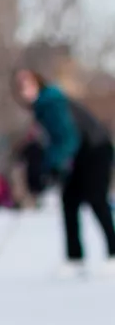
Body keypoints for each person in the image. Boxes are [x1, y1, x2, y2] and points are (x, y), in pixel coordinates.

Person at [12, 68, 115, 275]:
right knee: (70, 201)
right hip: (79, 155)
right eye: (21, 86)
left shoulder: (51, 103)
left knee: (97, 200)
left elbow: (68, 138)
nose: (25, 89)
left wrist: (54, 166)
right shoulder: (42, 107)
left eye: (29, 83)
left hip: (95, 150)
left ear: (39, 81)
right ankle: (74, 258)